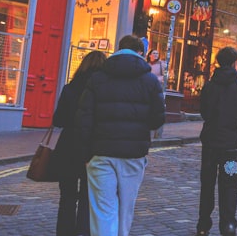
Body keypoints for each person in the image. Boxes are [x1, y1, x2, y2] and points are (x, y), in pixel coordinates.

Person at [78, 35, 166, 236]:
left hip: (100, 152)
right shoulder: (151, 81)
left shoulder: (97, 78)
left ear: (118, 49)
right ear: (140, 53)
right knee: (126, 207)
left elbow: (84, 118)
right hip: (133, 154)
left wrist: (85, 153)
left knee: (103, 209)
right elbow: (156, 120)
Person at [196, 47, 237, 236]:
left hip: (210, 146)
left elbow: (204, 113)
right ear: (234, 62)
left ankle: (203, 225)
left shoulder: (209, 86)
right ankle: (228, 225)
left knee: (207, 183)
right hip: (230, 148)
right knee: (229, 184)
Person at [53, 50, 106, 236]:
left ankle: (64, 232)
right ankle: (82, 231)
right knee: (87, 196)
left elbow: (58, 120)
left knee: (66, 196)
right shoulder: (103, 92)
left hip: (68, 147)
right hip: (92, 148)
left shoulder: (70, 88)